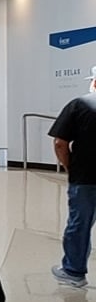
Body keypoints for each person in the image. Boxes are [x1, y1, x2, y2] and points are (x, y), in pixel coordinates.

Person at [49, 65, 96, 288]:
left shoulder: (79, 105)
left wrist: (70, 168)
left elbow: (60, 143)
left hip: (85, 177)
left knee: (80, 224)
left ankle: (74, 271)